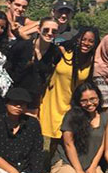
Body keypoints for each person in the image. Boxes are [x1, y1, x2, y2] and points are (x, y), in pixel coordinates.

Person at [49, 82, 108, 173]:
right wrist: (79, 171)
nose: (89, 103)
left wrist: (93, 167)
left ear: (99, 97)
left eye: (93, 99)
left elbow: (104, 145)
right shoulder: (71, 116)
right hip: (67, 162)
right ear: (78, 102)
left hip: (89, 163)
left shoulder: (105, 116)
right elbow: (68, 144)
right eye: (84, 100)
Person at [40, 26, 99, 154]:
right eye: (84, 39)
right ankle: (45, 165)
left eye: (91, 41)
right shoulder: (63, 52)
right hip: (53, 100)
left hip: (72, 104)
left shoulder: (91, 61)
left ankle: (60, 164)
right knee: (49, 139)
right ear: (78, 39)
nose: (86, 43)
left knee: (67, 138)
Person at [6, 16, 60, 111]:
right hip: (15, 98)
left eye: (54, 31)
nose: (50, 33)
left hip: (36, 101)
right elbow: (8, 65)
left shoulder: (55, 52)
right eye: (46, 30)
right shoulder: (22, 47)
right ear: (39, 30)